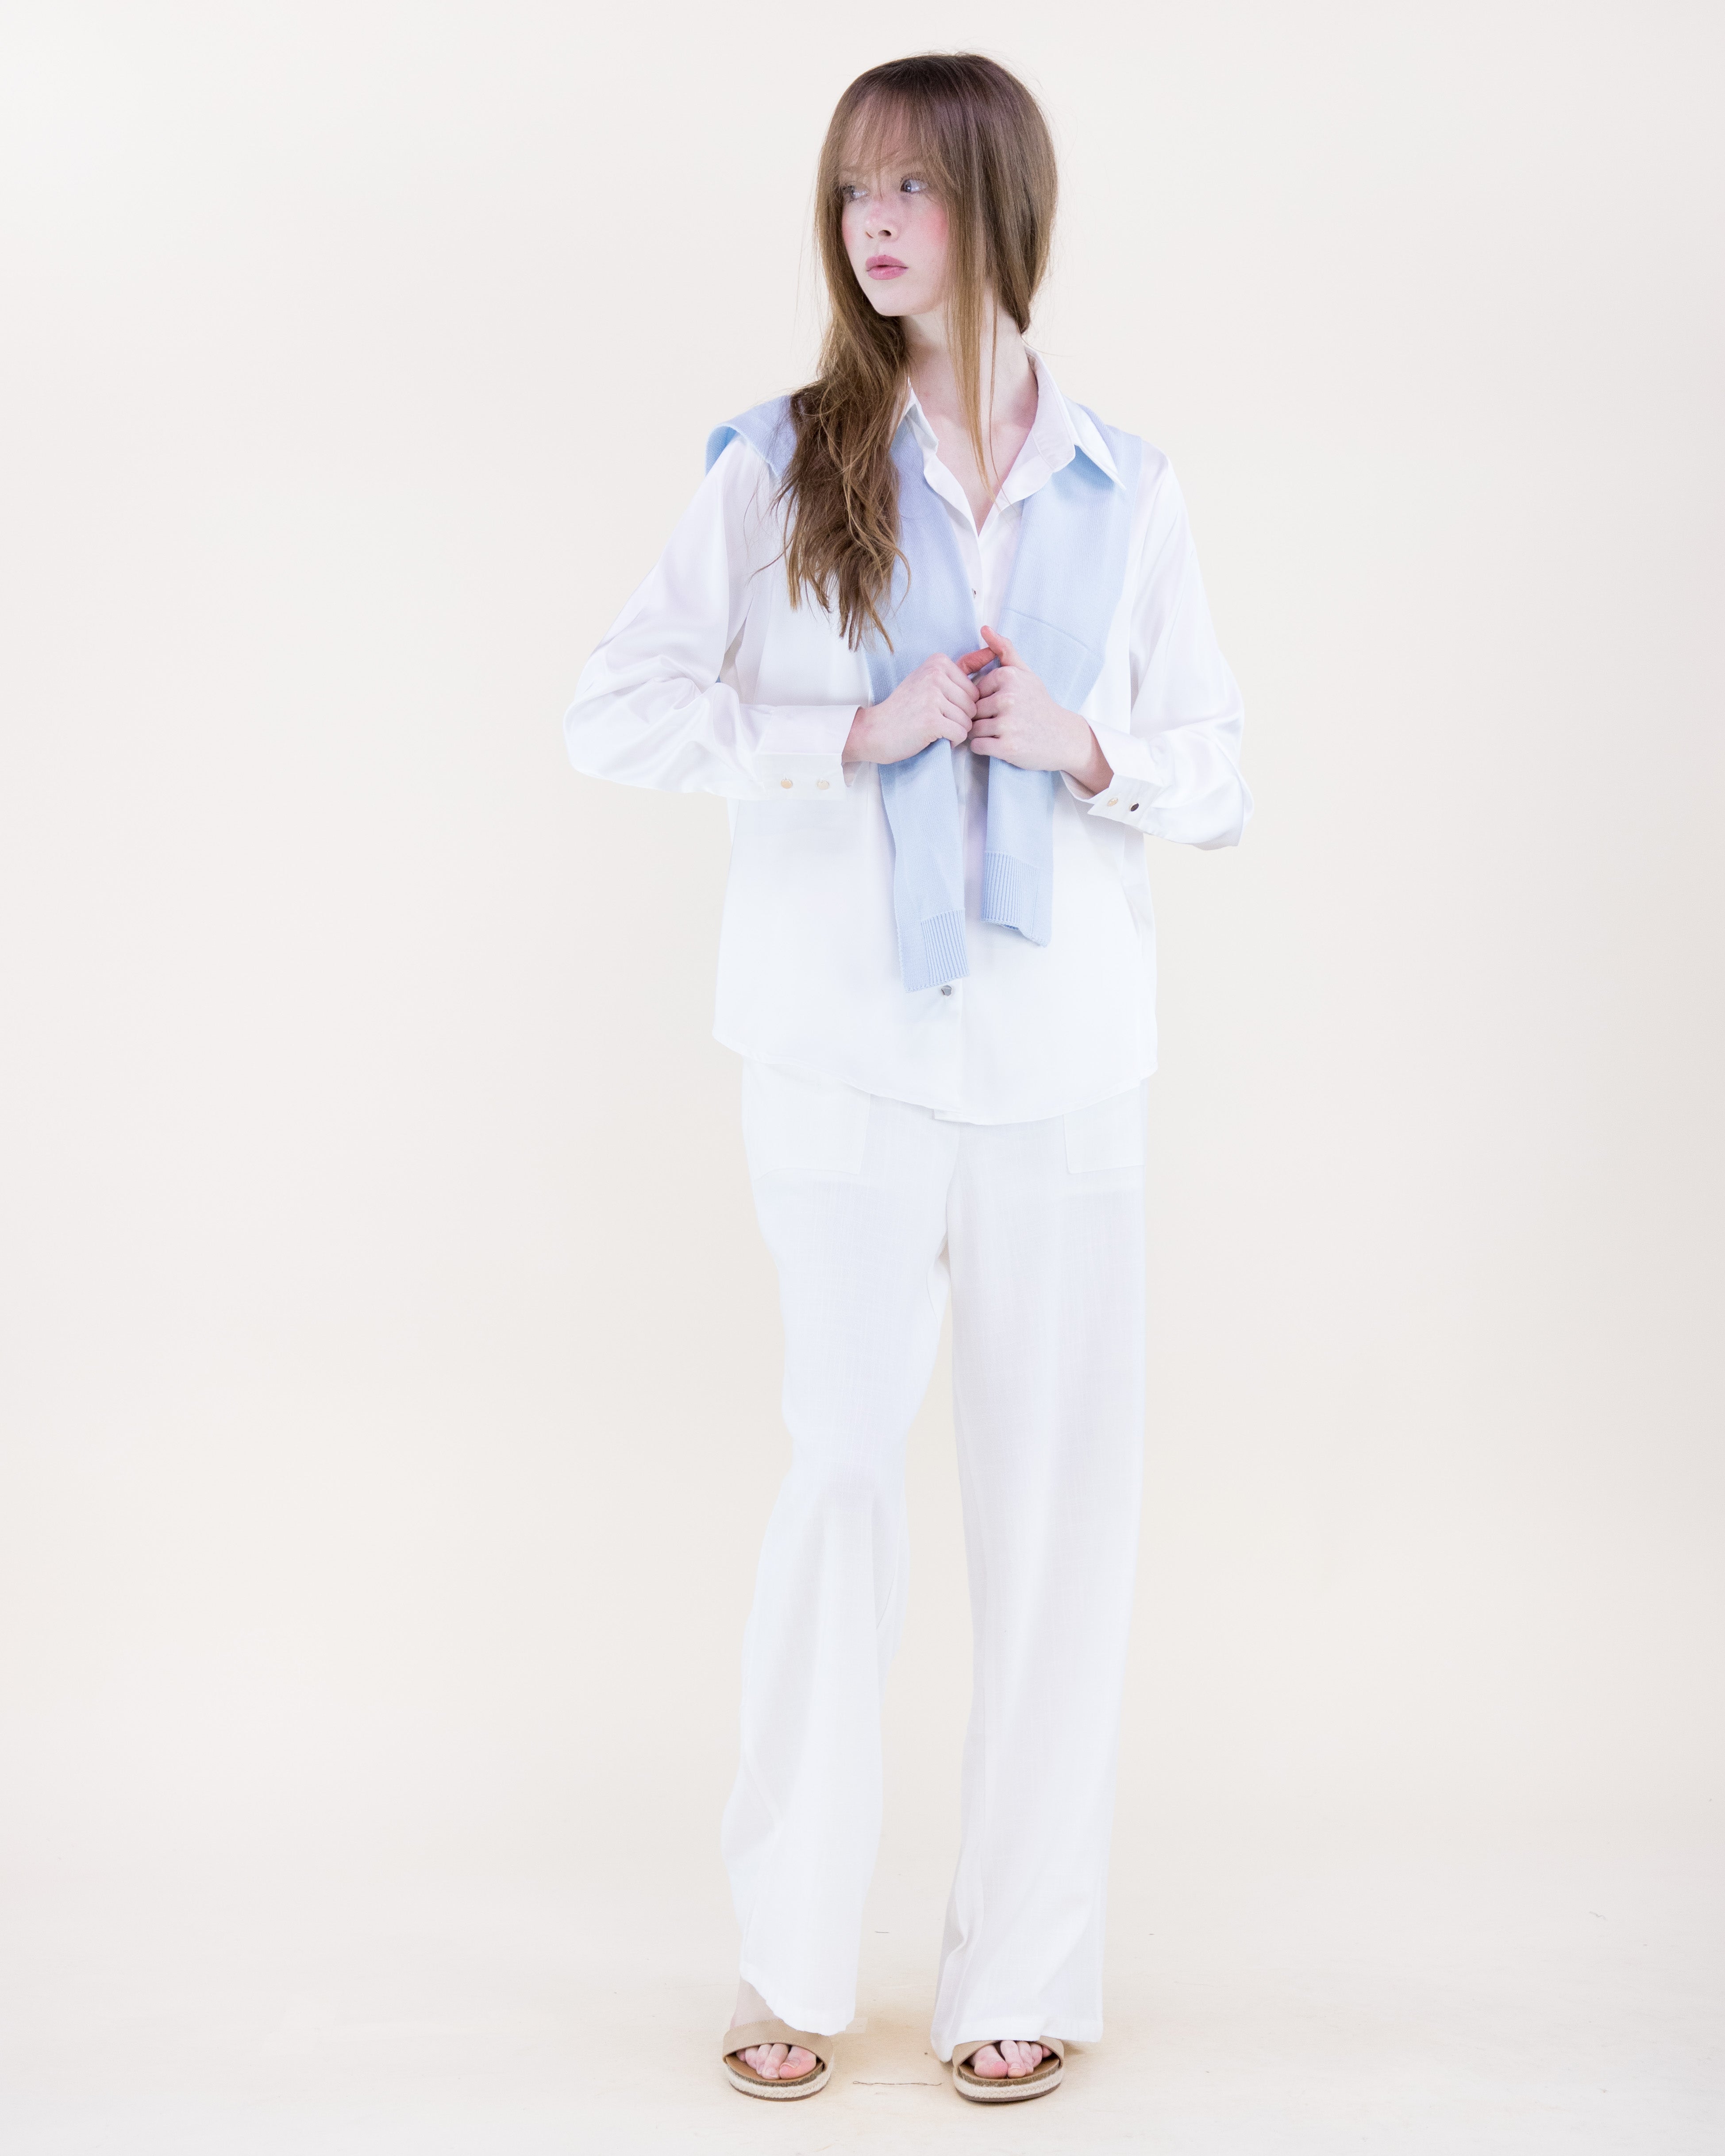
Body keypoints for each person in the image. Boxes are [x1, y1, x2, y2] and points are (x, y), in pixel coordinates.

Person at [563, 50, 1251, 2106]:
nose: (877, 224)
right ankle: (793, 1960)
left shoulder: (1127, 489)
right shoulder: (779, 463)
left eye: (918, 189)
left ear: (998, 209)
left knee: (1059, 1519)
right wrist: (835, 737)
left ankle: (1016, 1969)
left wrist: (1085, 747)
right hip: (841, 1050)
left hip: (1066, 1064)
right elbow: (618, 703)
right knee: (845, 1474)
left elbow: (1219, 767)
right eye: (856, 188)